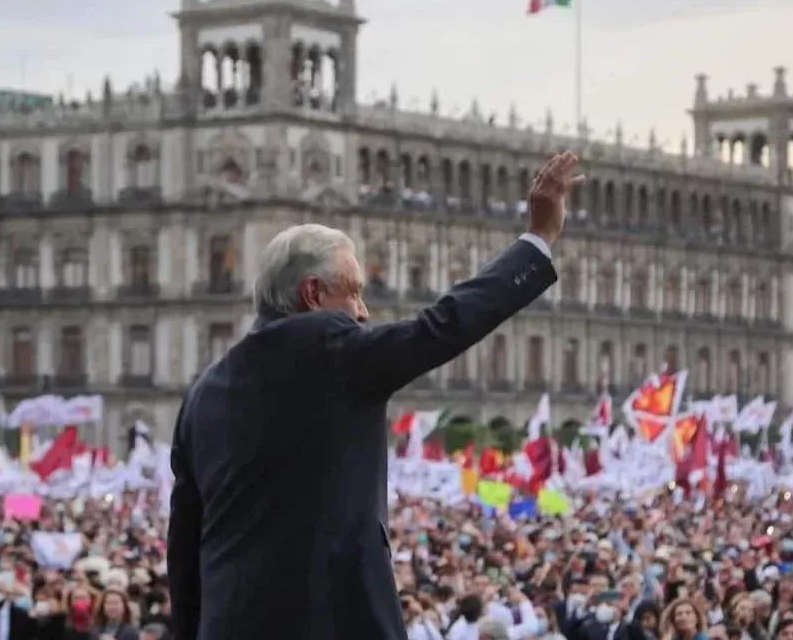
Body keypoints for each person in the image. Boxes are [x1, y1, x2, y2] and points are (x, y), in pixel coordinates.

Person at [168, 151, 582, 640]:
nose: (363, 312)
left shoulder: (202, 394)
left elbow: (184, 547)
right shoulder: (334, 352)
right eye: (355, 293)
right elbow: (443, 325)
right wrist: (538, 239)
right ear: (312, 294)